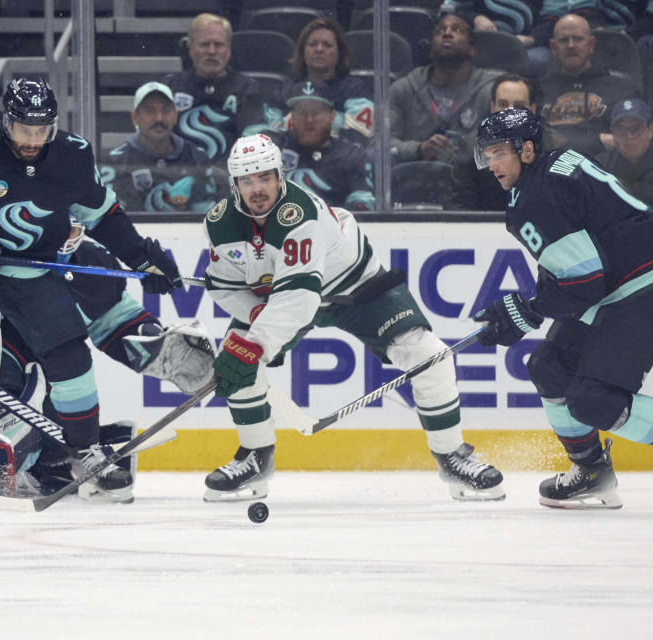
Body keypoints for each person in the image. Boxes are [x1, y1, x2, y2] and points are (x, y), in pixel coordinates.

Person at [0, 77, 183, 507]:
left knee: (70, 357)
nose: (33, 140)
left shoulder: (73, 155)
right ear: (6, 121)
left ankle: (85, 453)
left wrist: (141, 258)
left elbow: (103, 214)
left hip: (23, 272)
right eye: (24, 129)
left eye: (42, 129)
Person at [200, 133, 505, 503]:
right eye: (247, 181)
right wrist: (253, 315)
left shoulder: (300, 214)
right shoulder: (220, 222)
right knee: (237, 359)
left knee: (429, 356)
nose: (258, 189)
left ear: (281, 175)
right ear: (234, 185)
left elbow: (300, 299)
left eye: (265, 177)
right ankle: (255, 457)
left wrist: (256, 343)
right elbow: (223, 287)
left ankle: (452, 455)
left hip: (357, 288)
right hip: (283, 297)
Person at [472, 107, 653, 511]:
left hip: (648, 285)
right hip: (623, 280)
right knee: (549, 368)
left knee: (593, 400)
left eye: (498, 153)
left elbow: (584, 284)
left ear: (526, 149)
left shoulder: (537, 198)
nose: (490, 164)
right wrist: (531, 306)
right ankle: (591, 471)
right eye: (486, 155)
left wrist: (529, 310)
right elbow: (574, 262)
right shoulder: (550, 169)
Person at [0, 222, 215, 502]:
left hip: (52, 370)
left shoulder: (93, 262)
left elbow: (116, 320)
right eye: (55, 224)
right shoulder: (1, 251)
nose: (62, 235)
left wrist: (155, 342)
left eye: (71, 226)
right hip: (5, 361)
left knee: (64, 375)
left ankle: (59, 461)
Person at [390, 13, 502, 165]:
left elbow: (508, 143)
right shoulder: (402, 90)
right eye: (440, 31)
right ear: (430, 50)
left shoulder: (494, 90)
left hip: (471, 183)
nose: (447, 33)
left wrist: (462, 152)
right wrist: (419, 149)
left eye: (457, 30)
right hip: (413, 181)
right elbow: (378, 144)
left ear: (472, 49)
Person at [103, 81, 225, 213]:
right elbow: (111, 216)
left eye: (166, 110)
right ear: (134, 117)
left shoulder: (197, 157)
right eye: (150, 111)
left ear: (175, 116)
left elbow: (210, 210)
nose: (159, 118)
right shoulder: (114, 163)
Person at [165, 13, 267, 163]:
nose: (212, 51)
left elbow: (252, 145)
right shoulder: (171, 87)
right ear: (191, 49)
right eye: (204, 44)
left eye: (218, 45)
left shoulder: (248, 89)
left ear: (229, 50)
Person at [537, 14, 640, 159]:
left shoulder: (620, 88)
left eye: (578, 39)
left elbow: (630, 140)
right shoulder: (537, 89)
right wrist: (598, 142)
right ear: (553, 47)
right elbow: (536, 142)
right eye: (564, 40)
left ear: (591, 44)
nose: (571, 45)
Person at [265, 81, 374, 210]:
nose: (309, 119)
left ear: (332, 117)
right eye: (302, 112)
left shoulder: (351, 154)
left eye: (317, 112)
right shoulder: (270, 149)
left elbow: (363, 204)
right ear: (292, 117)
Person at [450, 73, 537, 210]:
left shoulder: (553, 146)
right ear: (492, 108)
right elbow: (459, 207)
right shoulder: (472, 147)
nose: (510, 111)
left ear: (532, 110)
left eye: (519, 105)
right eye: (503, 104)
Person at [284, 17, 373, 146]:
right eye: (312, 44)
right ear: (302, 51)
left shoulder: (355, 90)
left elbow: (357, 141)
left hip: (338, 164)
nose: (319, 49)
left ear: (339, 52)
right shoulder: (285, 90)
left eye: (327, 45)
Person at [596, 98, 653, 210]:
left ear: (650, 131)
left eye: (636, 128)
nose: (630, 136)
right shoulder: (600, 166)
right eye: (622, 129)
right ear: (612, 132)